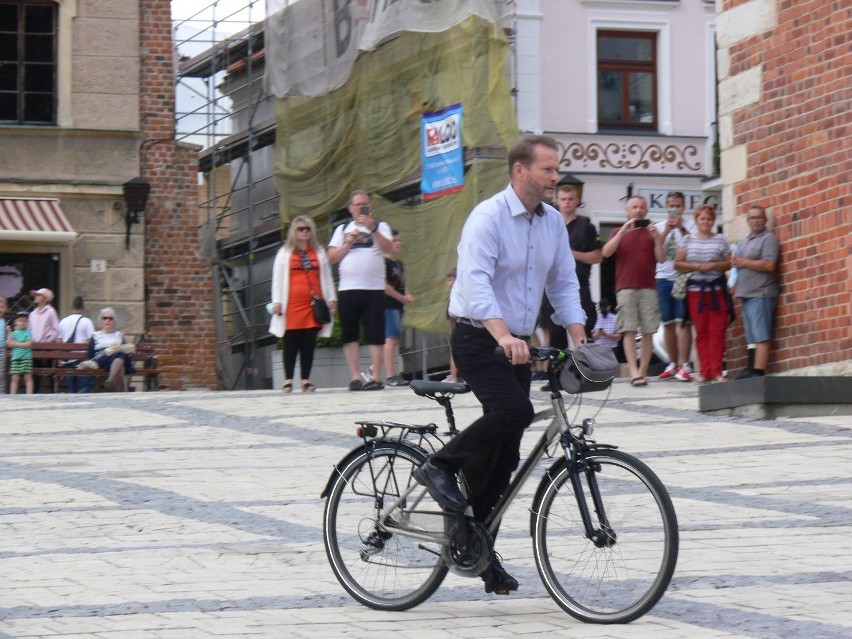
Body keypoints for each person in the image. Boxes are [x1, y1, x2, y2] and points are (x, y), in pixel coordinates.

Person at [413, 135, 587, 595]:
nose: (555, 178)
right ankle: (438, 466)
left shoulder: (551, 223)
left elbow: (564, 283)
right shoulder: (487, 218)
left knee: (505, 456)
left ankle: (477, 549)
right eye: (548, 170)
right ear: (520, 171)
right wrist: (503, 334)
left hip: (518, 344)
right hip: (477, 336)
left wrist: (580, 336)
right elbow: (475, 282)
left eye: (557, 170)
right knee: (515, 413)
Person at [328, 190, 394, 391]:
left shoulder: (381, 226)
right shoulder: (342, 229)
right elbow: (331, 257)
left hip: (373, 288)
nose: (361, 208)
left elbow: (388, 248)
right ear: (350, 208)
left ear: (370, 206)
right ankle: (355, 376)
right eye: (357, 205)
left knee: (375, 333)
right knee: (350, 333)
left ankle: (375, 376)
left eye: (364, 204)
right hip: (348, 288)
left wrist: (372, 229)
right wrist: (348, 242)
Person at [601, 196, 665, 387]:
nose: (638, 210)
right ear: (628, 211)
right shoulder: (617, 232)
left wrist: (656, 238)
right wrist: (622, 232)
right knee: (628, 329)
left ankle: (643, 371)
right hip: (625, 286)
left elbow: (662, 258)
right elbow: (606, 252)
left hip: (648, 287)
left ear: (646, 211)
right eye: (634, 207)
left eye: (642, 207)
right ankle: (634, 371)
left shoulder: (652, 232)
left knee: (648, 330)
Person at [269, 216, 337, 393]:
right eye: (301, 229)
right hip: (291, 304)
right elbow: (277, 279)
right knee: (291, 341)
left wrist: (331, 299)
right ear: (294, 231)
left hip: (312, 304)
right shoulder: (285, 252)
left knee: (308, 341)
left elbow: (327, 278)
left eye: (307, 228)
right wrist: (277, 301)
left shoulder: (319, 251)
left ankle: (306, 379)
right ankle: (288, 380)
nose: (304, 231)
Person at [674, 204, 732, 383]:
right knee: (701, 332)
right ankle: (704, 371)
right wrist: (696, 267)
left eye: (708, 219)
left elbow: (729, 263)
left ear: (713, 221)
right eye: (702, 219)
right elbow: (678, 263)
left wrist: (714, 265)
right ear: (697, 220)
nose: (705, 222)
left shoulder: (720, 239)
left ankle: (716, 371)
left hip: (717, 291)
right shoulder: (687, 240)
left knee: (717, 330)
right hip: (695, 291)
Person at [730, 205, 779, 379]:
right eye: (752, 218)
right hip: (746, 293)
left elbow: (768, 264)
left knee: (761, 333)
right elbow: (739, 265)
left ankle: (759, 371)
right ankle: (750, 367)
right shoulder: (745, 241)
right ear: (747, 221)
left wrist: (743, 262)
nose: (755, 221)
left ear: (765, 220)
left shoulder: (768, 239)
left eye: (759, 217)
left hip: (761, 292)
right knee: (751, 335)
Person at [655, 191, 695, 382]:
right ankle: (672, 363)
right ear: (666, 207)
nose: (674, 209)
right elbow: (655, 251)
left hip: (682, 278)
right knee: (668, 323)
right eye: (671, 205)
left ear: (683, 207)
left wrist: (680, 229)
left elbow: (695, 246)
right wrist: (666, 231)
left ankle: (684, 364)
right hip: (663, 277)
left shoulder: (690, 226)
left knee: (683, 322)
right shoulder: (659, 227)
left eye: (678, 206)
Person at [382, 230, 414, 387]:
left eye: (398, 240)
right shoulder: (384, 263)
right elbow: (385, 286)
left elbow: (402, 283)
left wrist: (406, 295)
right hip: (388, 304)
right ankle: (390, 375)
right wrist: (401, 297)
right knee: (391, 338)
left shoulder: (399, 263)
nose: (397, 243)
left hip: (399, 304)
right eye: (394, 240)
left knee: (394, 339)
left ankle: (372, 369)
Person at [81, 308, 136, 391]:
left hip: (118, 358)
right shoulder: (96, 335)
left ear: (114, 322)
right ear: (101, 321)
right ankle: (119, 393)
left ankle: (110, 380)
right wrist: (87, 363)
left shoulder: (119, 335)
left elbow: (128, 351)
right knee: (121, 361)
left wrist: (120, 346)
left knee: (121, 360)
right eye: (105, 318)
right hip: (103, 359)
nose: (108, 320)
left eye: (110, 318)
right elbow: (90, 355)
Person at [59, 296, 96, 393]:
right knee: (86, 385)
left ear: (72, 307)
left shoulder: (63, 321)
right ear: (83, 308)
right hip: (82, 361)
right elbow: (92, 341)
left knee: (72, 388)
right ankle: (78, 399)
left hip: (67, 361)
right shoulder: (87, 321)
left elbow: (59, 340)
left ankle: (73, 401)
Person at [7, 312, 34, 394]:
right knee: (15, 378)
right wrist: (9, 331)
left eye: (25, 321)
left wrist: (15, 344)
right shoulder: (13, 333)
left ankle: (29, 395)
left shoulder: (28, 332)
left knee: (28, 377)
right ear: (15, 322)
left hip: (26, 358)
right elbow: (9, 343)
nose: (23, 323)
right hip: (16, 358)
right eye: (20, 320)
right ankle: (13, 395)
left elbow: (28, 344)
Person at [443, 267, 461, 382]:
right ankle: (454, 375)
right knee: (454, 352)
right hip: (455, 330)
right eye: (449, 280)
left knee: (456, 353)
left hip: (460, 329)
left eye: (453, 280)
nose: (451, 283)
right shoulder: (451, 298)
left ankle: (455, 376)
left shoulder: (458, 297)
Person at [0, 296, 7, 393]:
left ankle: (1, 393)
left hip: (2, 350)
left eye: (1, 307)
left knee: (1, 373)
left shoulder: (5, 322)